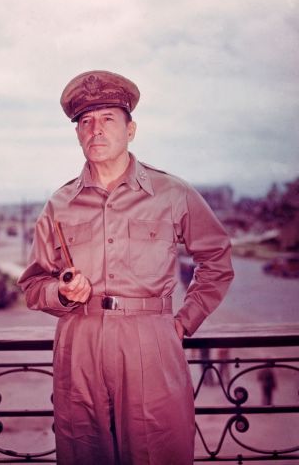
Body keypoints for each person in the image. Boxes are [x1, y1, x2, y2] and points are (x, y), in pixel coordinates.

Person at [18, 70, 234, 465]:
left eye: (107, 119)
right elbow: (33, 283)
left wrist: (185, 320)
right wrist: (61, 293)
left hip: (150, 340)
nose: (95, 130)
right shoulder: (59, 204)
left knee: (159, 451)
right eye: (85, 122)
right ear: (78, 133)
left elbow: (217, 260)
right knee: (84, 451)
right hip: (79, 342)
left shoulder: (173, 193)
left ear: (130, 130)